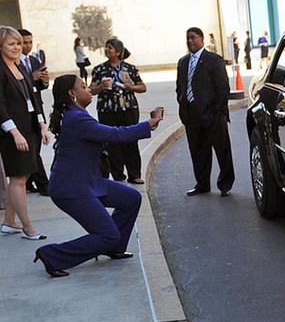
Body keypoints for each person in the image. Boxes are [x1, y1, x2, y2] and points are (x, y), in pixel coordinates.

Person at [33, 75, 164, 278]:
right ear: (72, 94)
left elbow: (108, 131)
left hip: (87, 181)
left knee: (131, 198)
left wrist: (147, 125)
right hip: (71, 188)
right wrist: (149, 123)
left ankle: (114, 247)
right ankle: (52, 255)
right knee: (107, 235)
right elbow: (116, 134)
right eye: (84, 87)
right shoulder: (77, 118)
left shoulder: (74, 112)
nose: (89, 89)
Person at [0, 26, 52, 240]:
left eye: (18, 44)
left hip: (30, 128)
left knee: (22, 176)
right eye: (12, 44)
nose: (17, 47)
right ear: (1, 46)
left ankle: (9, 222)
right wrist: (14, 133)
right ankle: (27, 227)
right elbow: (0, 105)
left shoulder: (20, 66)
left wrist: (41, 125)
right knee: (19, 178)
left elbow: (33, 98)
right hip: (13, 132)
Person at [176, 27, 234, 196]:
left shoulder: (214, 60)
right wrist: (182, 104)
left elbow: (223, 88)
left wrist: (217, 111)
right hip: (192, 115)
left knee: (222, 150)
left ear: (202, 39)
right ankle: (202, 184)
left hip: (213, 114)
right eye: (187, 38)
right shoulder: (183, 62)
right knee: (198, 151)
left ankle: (225, 185)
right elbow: (180, 87)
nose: (190, 41)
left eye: (193, 37)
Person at [90, 37, 147, 184]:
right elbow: (91, 90)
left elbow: (142, 87)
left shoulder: (129, 68)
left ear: (118, 51)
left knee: (131, 140)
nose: (107, 50)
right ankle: (118, 176)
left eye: (110, 47)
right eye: (106, 47)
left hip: (128, 108)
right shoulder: (99, 69)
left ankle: (134, 175)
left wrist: (131, 87)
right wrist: (100, 87)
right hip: (107, 109)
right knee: (112, 142)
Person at [18, 29, 50, 196]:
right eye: (24, 42)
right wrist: (32, 77)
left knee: (35, 148)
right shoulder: (14, 63)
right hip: (23, 112)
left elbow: (40, 87)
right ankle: (44, 184)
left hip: (38, 109)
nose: (27, 45)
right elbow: (20, 84)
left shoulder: (34, 60)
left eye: (30, 42)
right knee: (32, 149)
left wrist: (44, 81)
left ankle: (29, 181)